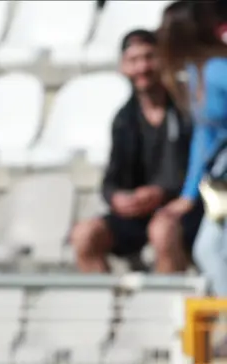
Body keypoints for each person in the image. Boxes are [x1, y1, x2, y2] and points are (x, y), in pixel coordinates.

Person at [71, 29, 199, 275]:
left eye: (149, 57)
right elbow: (112, 178)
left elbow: (195, 169)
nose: (142, 67)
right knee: (84, 235)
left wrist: (161, 193)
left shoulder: (186, 111)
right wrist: (117, 197)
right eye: (133, 60)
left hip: (182, 209)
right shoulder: (124, 118)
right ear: (123, 67)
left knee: (162, 231)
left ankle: (163, 311)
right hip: (138, 213)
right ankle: (109, 311)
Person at [157, 0, 227, 298]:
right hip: (221, 178)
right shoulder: (195, 72)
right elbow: (204, 134)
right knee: (207, 250)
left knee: (213, 251)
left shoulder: (217, 70)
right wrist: (188, 195)